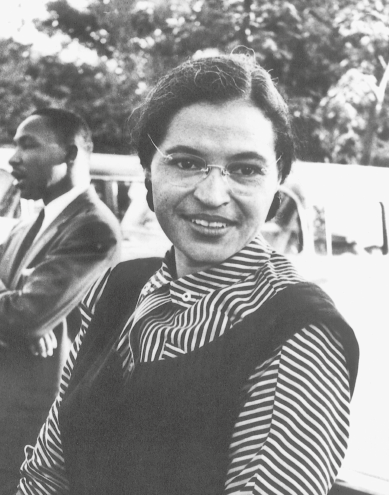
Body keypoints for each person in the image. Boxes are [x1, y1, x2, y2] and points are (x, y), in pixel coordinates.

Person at [16, 55, 358, 495]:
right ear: (148, 171)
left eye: (246, 169)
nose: (213, 194)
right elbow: (46, 474)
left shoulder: (299, 330)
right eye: (187, 162)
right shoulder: (119, 289)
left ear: (277, 185)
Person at [0, 108, 121, 492]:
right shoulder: (26, 224)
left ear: (69, 155)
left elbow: (24, 317)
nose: (12, 158)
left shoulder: (93, 228)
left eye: (27, 145)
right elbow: (20, 314)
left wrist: (21, 317)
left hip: (34, 432)